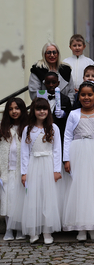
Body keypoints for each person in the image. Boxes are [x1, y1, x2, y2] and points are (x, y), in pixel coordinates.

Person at [62, 81, 94, 241]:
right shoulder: (73, 114)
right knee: (80, 189)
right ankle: (80, 227)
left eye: (89, 94)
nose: (86, 97)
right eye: (83, 94)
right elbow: (67, 136)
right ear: (78, 97)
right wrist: (66, 159)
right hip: (78, 152)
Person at [8, 98, 62, 244]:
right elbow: (25, 153)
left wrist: (57, 169)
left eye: (44, 109)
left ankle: (47, 231)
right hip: (33, 165)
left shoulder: (53, 128)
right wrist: (24, 173)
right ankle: (33, 230)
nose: (42, 112)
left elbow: (57, 150)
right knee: (33, 197)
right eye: (39, 109)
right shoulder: (28, 129)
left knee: (47, 198)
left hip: (48, 165)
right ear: (33, 111)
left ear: (48, 111)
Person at [0, 98, 28, 241]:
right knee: (7, 200)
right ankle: (9, 229)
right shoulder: (3, 129)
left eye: (17, 108)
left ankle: (21, 228)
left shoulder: (27, 128)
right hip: (7, 171)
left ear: (22, 110)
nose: (14, 111)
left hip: (21, 171)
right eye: (11, 109)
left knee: (21, 200)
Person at [44, 72, 72, 142]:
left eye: (54, 82)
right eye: (48, 83)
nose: (51, 85)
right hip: (43, 131)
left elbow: (70, 116)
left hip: (60, 133)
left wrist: (64, 114)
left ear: (58, 83)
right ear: (44, 83)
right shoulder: (40, 98)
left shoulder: (65, 99)